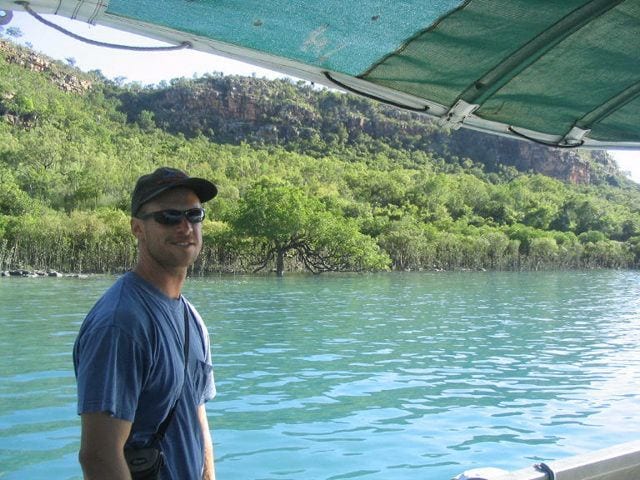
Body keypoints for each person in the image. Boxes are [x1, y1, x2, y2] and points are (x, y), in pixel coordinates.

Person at [73, 167, 218, 479]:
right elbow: (99, 456)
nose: (185, 226)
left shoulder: (191, 318)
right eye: (168, 216)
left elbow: (197, 420)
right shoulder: (121, 324)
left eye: (194, 215)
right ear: (137, 227)